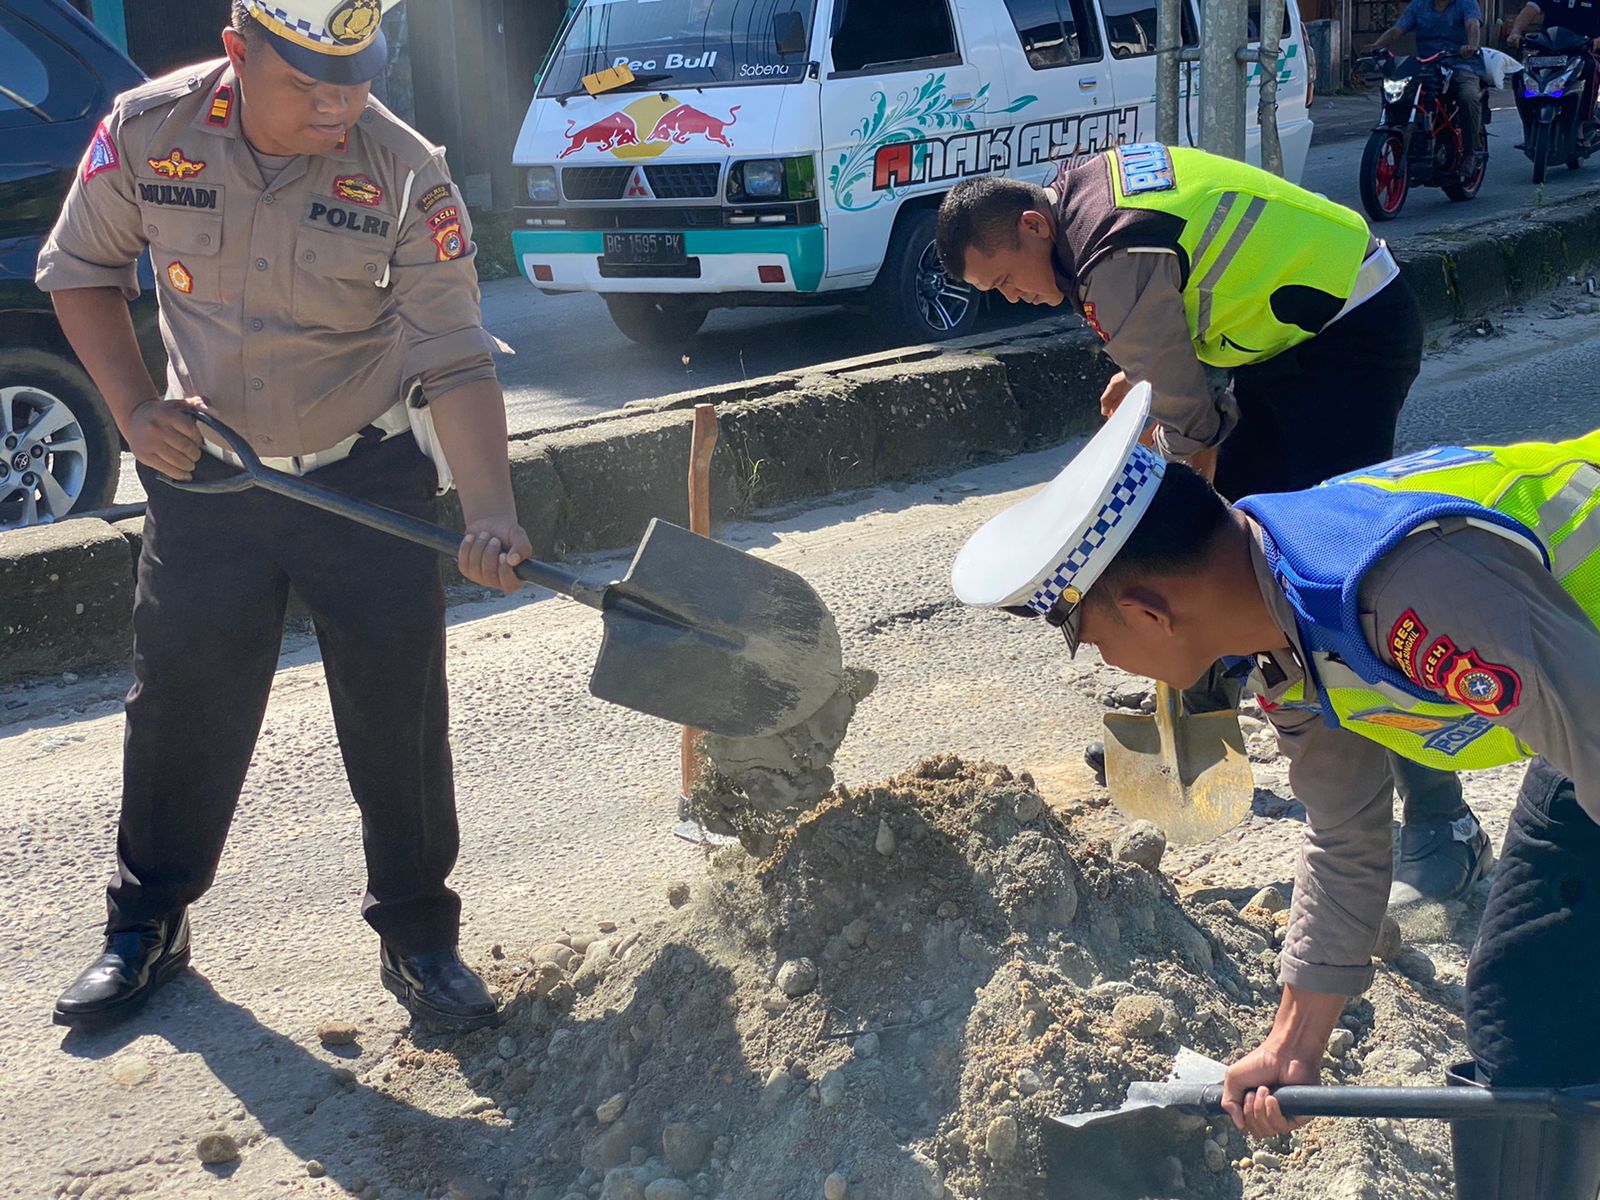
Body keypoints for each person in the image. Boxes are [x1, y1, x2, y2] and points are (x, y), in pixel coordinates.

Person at [952, 387, 1600, 1198]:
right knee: (1529, 995)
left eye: (1092, 642)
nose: (1107, 667)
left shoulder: (1403, 589)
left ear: (1148, 614)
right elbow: (1343, 828)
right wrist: (1294, 1042)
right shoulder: (1290, 614)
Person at [38, 0, 531, 1033]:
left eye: (356, 77)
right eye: (310, 82)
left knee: (398, 712)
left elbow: (453, 351)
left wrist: (490, 512)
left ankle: (417, 934)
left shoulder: (404, 165)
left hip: (364, 474)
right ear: (236, 52)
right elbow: (80, 271)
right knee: (180, 704)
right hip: (211, 475)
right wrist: (134, 411)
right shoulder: (146, 131)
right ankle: (147, 928)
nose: (339, 104)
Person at [936, 144, 1485, 906]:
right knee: (1235, 556)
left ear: (1032, 226)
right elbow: (1185, 322)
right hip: (1295, 340)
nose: (1014, 297)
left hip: (1347, 344)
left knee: (1321, 576)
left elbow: (1192, 432)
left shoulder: (1109, 250)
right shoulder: (1089, 205)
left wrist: (1179, 495)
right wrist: (1152, 383)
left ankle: (1443, 825)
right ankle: (1197, 696)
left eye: (1004, 279)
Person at [1370, 0, 1487, 178]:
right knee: (1401, 93)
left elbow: (1472, 25)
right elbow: (1397, 30)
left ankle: (1470, 153)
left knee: (1468, 96)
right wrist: (1376, 46)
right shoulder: (1418, 5)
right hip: (1427, 65)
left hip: (1461, 63)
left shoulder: (1466, 3)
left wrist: (1471, 46)